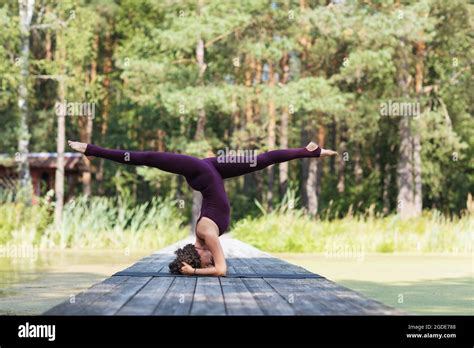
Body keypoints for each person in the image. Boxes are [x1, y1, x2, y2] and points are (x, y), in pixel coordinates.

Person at [68, 140, 337, 276]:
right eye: (206, 261)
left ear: (199, 254)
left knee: (148, 158)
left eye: (204, 260)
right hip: (210, 171)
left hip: (201, 171)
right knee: (260, 161)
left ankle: (93, 150)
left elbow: (221, 270)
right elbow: (219, 267)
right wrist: (193, 270)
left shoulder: (207, 234)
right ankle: (310, 151)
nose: (212, 259)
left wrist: (194, 272)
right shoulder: (205, 234)